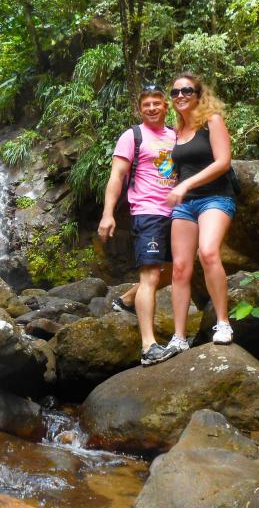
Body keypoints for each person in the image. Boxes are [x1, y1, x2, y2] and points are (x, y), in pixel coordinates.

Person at [98, 84, 177, 366]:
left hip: (177, 214)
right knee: (152, 276)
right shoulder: (133, 136)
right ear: (140, 109)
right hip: (147, 212)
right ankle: (148, 347)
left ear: (166, 106)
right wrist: (108, 214)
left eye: (157, 103)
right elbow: (117, 176)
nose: (152, 108)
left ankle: (129, 299)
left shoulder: (177, 136)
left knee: (177, 271)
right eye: (147, 105)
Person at [162, 72, 236, 359]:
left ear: (198, 94)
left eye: (186, 91)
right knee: (180, 268)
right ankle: (179, 337)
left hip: (215, 198)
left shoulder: (211, 121)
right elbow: (175, 169)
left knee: (207, 252)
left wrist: (186, 184)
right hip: (185, 205)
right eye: (175, 92)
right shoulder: (176, 131)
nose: (180, 96)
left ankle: (223, 323)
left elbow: (223, 162)